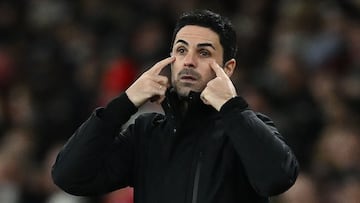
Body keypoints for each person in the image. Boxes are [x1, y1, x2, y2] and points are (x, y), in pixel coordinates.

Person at [51, 9, 299, 203]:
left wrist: (232, 108)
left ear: (228, 68)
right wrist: (123, 104)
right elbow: (70, 176)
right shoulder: (146, 133)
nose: (188, 61)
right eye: (181, 50)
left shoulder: (249, 129)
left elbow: (277, 179)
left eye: (204, 53)